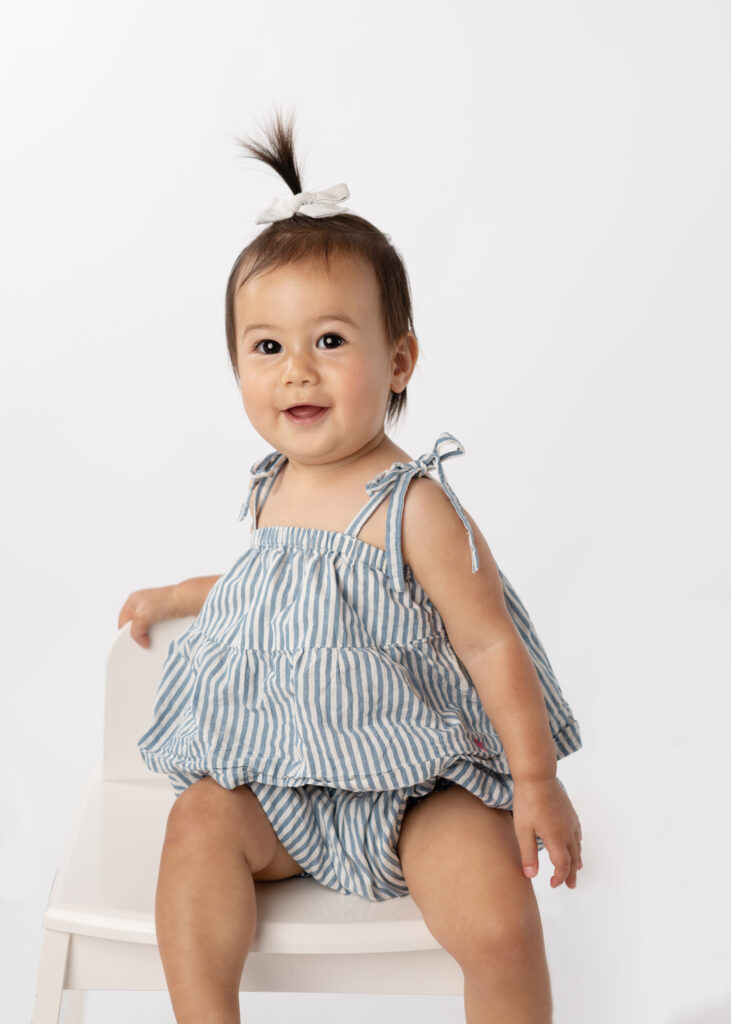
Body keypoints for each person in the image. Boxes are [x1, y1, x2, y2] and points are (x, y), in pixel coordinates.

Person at [119, 108, 584, 1024]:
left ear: (398, 359)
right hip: (288, 780)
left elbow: (490, 647)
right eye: (267, 349)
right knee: (199, 821)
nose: (297, 371)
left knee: (498, 922)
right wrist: (181, 594)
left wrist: (535, 781)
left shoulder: (414, 504)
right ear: (238, 368)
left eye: (329, 341)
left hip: (418, 787)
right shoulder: (272, 487)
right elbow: (280, 599)